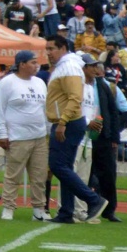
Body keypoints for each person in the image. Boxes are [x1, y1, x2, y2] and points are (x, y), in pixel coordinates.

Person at [42, 34, 108, 225]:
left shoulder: (69, 66)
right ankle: (66, 211)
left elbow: (75, 97)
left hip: (68, 122)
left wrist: (62, 122)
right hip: (71, 121)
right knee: (65, 167)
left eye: (51, 48)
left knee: (57, 165)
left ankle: (93, 200)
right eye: (47, 49)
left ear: (63, 48)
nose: (48, 53)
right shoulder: (67, 66)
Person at [0, 48, 51, 221]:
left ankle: (39, 209)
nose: (36, 65)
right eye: (33, 62)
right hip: (17, 136)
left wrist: (48, 130)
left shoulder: (40, 83)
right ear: (22, 64)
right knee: (13, 175)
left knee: (39, 176)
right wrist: (2, 133)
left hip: (39, 136)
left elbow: (45, 108)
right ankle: (8, 207)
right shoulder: (7, 82)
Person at [82, 52, 123, 221]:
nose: (96, 70)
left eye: (96, 67)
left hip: (103, 136)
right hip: (85, 134)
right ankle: (86, 206)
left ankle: (109, 210)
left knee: (108, 174)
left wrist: (114, 137)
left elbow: (113, 112)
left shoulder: (103, 85)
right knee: (85, 173)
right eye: (92, 66)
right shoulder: (79, 85)